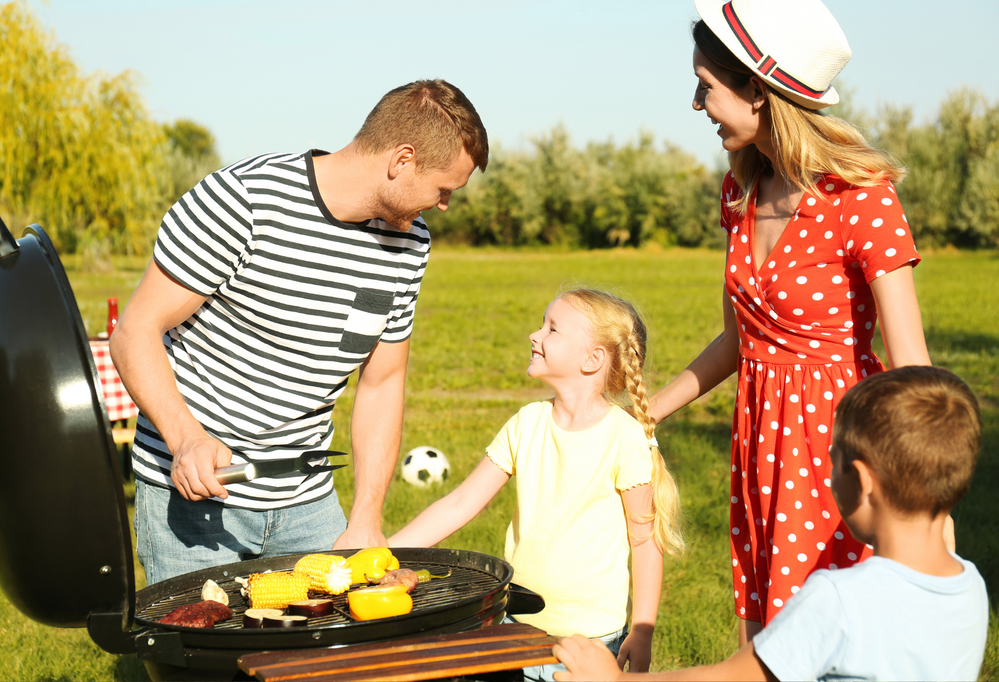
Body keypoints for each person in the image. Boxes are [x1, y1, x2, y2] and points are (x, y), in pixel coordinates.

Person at [109, 79, 489, 585]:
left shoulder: (410, 243)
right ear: (402, 160)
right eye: (444, 189)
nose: (443, 205)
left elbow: (382, 382)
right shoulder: (242, 201)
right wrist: (186, 441)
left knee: (329, 662)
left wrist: (366, 518)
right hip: (194, 496)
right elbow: (135, 330)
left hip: (309, 504)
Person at [646, 0, 933, 643]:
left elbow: (910, 359)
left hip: (839, 442)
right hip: (758, 438)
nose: (697, 104)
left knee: (834, 631)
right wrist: (646, 414)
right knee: (766, 635)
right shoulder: (740, 192)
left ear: (759, 90)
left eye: (706, 87)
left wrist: (923, 487)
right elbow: (736, 341)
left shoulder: (862, 196)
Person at [554, 365, 987, 681]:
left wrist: (613, 680)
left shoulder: (838, 599)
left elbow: (729, 679)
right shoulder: (969, 586)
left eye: (831, 460)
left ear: (863, 481)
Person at [390, 288, 685, 679]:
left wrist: (643, 629)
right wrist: (387, 550)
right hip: (517, 624)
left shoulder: (623, 437)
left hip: (591, 640)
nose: (535, 335)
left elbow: (645, 540)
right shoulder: (526, 423)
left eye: (552, 329)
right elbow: (460, 503)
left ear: (592, 359)